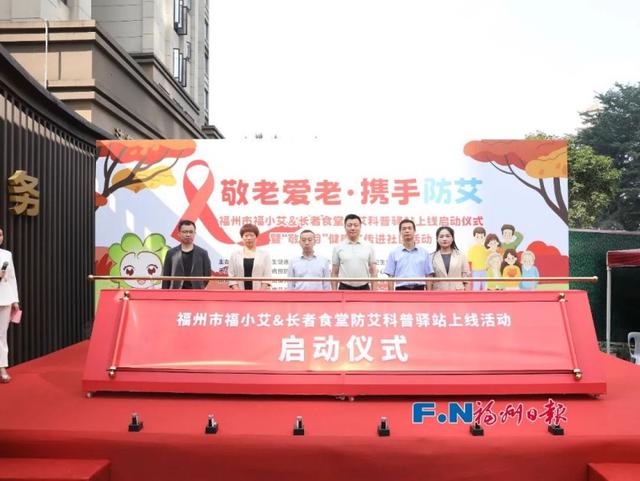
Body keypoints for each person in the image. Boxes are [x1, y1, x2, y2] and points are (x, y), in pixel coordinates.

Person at [331, 214, 377, 290]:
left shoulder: (368, 246)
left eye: (356, 225)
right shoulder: (338, 247)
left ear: (360, 227)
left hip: (364, 288)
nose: (352, 228)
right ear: (345, 227)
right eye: (349, 225)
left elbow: (373, 271)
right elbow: (334, 272)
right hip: (344, 288)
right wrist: (334, 291)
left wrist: (374, 291)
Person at [384, 219, 433, 290]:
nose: (407, 231)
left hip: (419, 289)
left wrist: (429, 293)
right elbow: (390, 277)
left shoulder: (424, 253)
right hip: (401, 289)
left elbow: (429, 275)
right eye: (404, 229)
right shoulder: (394, 253)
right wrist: (391, 294)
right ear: (400, 232)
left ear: (414, 231)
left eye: (409, 228)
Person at [162, 219, 212, 289]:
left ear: (195, 234)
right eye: (185, 232)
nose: (188, 235)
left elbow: (207, 275)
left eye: (191, 232)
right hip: (176, 292)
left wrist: (199, 286)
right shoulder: (171, 253)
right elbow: (166, 277)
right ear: (179, 234)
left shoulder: (203, 253)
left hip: (196, 292)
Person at [0, 227, 20, 383]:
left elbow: (12, 277)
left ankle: (2, 367)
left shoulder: (7, 254)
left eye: (0, 234)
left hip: (5, 297)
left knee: (2, 335)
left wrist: (15, 300)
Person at [229, 223, 272, 290]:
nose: (249, 238)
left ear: (256, 237)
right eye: (246, 235)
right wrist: (238, 292)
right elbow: (231, 277)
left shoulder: (265, 255)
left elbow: (267, 277)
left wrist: (260, 293)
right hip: (239, 292)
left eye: (251, 235)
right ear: (242, 238)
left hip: (260, 292)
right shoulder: (234, 255)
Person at [430, 226, 471, 291]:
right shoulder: (431, 257)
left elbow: (467, 280)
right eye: (441, 236)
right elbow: (429, 280)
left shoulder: (461, 256)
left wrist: (467, 295)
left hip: (457, 293)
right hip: (438, 293)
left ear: (452, 238)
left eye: (447, 236)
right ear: (437, 239)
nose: (444, 239)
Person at [467, 226, 488, 291]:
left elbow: (488, 260)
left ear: (484, 237)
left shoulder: (485, 249)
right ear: (474, 237)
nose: (479, 239)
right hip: (475, 270)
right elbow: (469, 261)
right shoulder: (472, 248)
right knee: (476, 286)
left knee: (485, 286)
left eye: (481, 237)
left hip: (485, 270)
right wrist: (469, 271)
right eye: (477, 237)